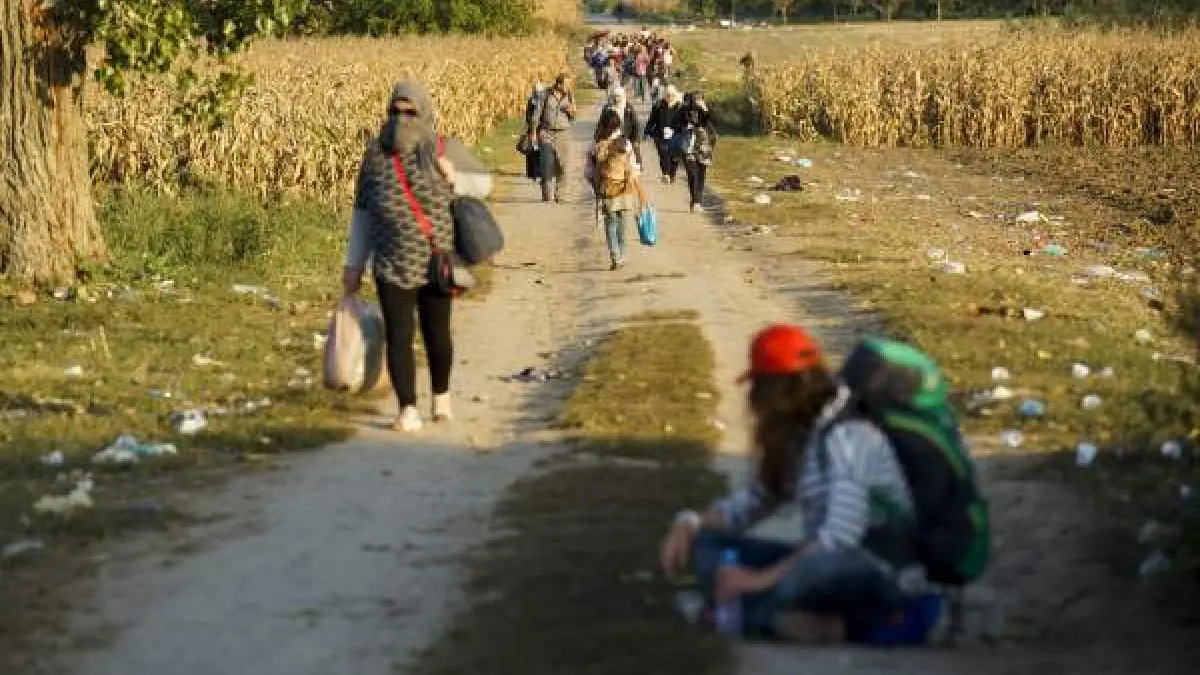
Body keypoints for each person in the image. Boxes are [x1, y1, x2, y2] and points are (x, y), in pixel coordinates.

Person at [659, 324, 935, 644]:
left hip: (877, 570)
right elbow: (755, 502)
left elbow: (838, 539)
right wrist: (690, 522)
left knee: (813, 571)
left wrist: (758, 579)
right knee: (706, 546)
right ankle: (780, 616)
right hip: (821, 557)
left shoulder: (849, 434)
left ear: (777, 389)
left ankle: (763, 615)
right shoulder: (799, 432)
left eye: (759, 388)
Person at [343, 81, 460, 433]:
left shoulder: (441, 148)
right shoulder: (376, 154)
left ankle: (441, 396)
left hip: (436, 259)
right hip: (390, 261)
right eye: (395, 111)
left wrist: (453, 176)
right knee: (399, 334)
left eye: (409, 112)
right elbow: (362, 212)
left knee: (436, 331)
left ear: (423, 111)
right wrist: (353, 264)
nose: (401, 118)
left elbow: (481, 189)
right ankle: (407, 407)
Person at [585, 108, 648, 272]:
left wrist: (595, 187)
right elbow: (633, 168)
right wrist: (639, 191)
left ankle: (615, 257)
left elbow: (589, 171)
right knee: (622, 223)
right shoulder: (625, 143)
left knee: (610, 222)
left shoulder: (597, 144)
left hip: (607, 188)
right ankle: (622, 254)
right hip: (624, 187)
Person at [526, 73, 577, 203]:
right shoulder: (545, 94)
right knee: (546, 165)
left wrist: (571, 112)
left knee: (563, 165)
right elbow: (536, 114)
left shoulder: (570, 95)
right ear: (558, 84)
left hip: (563, 133)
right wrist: (533, 133)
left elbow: (573, 116)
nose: (568, 87)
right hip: (546, 133)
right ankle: (547, 196)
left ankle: (561, 195)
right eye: (566, 84)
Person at [675, 92, 717, 212]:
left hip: (704, 146)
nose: (697, 102)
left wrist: (704, 109)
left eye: (700, 99)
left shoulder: (706, 109)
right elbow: (676, 123)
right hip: (689, 146)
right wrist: (684, 126)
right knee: (692, 174)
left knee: (701, 173)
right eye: (695, 100)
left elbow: (712, 121)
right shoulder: (684, 109)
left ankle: (697, 200)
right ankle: (695, 201)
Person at [644, 85, 683, 184]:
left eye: (671, 95)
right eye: (667, 95)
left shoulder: (680, 107)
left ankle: (672, 174)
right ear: (665, 95)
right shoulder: (658, 105)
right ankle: (665, 173)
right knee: (663, 154)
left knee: (674, 157)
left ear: (675, 95)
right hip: (660, 135)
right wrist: (646, 131)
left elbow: (684, 122)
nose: (669, 97)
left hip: (676, 135)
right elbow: (652, 120)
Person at [604, 86, 643, 167]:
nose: (617, 98)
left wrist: (636, 140)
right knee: (598, 154)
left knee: (635, 154)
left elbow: (636, 124)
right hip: (611, 136)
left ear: (623, 96)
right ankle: (596, 177)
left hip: (627, 136)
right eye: (615, 96)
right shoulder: (607, 108)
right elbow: (601, 124)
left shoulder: (629, 108)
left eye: (619, 96)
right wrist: (597, 138)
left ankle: (637, 170)